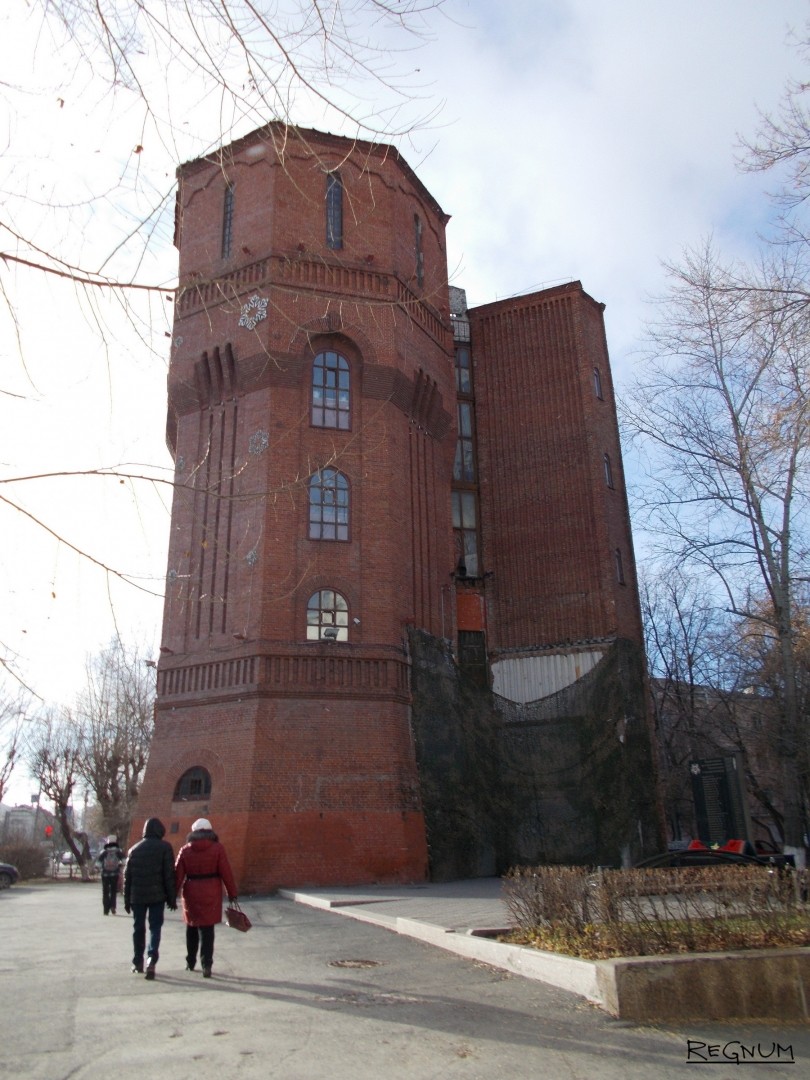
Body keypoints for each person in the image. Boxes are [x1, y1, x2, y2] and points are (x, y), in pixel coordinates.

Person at [174, 817, 238, 978]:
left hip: (191, 892)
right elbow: (226, 873)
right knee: (208, 930)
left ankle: (190, 961)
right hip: (211, 891)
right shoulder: (218, 849)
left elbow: (177, 876)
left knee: (191, 927)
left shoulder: (185, 850)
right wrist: (232, 893)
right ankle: (206, 964)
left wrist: (170, 896)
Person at [124, 817, 177, 980]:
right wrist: (171, 897)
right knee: (155, 927)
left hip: (137, 896)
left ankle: (137, 961)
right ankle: (151, 959)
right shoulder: (165, 848)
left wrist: (127, 899)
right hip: (157, 895)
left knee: (138, 928)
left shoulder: (134, 850)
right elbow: (169, 875)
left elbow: (128, 877)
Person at [95, 834, 124, 915]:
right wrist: (120, 866)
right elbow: (124, 861)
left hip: (105, 875)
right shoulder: (118, 851)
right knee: (113, 891)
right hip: (115, 874)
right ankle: (113, 907)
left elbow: (98, 863)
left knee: (105, 892)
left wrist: (97, 869)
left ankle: (105, 909)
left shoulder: (104, 852)